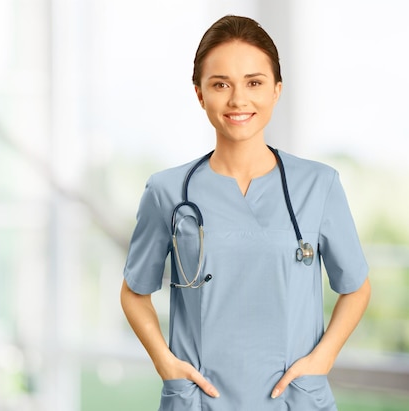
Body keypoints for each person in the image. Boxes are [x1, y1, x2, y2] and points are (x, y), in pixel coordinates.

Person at [120, 15, 370, 411]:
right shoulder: (167, 191)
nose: (238, 100)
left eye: (254, 83)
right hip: (199, 400)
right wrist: (165, 363)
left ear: (276, 90)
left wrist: (321, 361)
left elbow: (356, 287)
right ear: (200, 94)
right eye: (221, 84)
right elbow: (135, 292)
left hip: (295, 399)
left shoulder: (318, 185)